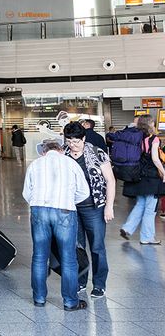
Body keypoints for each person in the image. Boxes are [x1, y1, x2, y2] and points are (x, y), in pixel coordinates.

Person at [21, 139, 89, 310]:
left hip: (39, 211)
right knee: (69, 259)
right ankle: (70, 302)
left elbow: (26, 193)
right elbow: (84, 192)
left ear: (43, 152)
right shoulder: (71, 163)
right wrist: (69, 201)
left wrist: (38, 205)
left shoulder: (35, 164)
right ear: (61, 150)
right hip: (65, 210)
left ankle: (39, 298)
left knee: (39, 257)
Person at [63, 121, 115, 298]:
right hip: (71, 209)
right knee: (76, 247)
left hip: (94, 207)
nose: (72, 145)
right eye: (69, 141)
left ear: (83, 138)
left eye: (76, 141)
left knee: (97, 247)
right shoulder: (64, 154)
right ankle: (80, 281)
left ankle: (99, 284)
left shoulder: (96, 153)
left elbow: (110, 181)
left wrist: (109, 206)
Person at [119, 114, 165, 245]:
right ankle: (147, 237)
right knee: (151, 209)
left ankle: (127, 228)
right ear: (150, 124)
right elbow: (155, 159)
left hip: (138, 176)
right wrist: (164, 172)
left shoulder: (137, 138)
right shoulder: (154, 139)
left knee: (140, 205)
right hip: (152, 178)